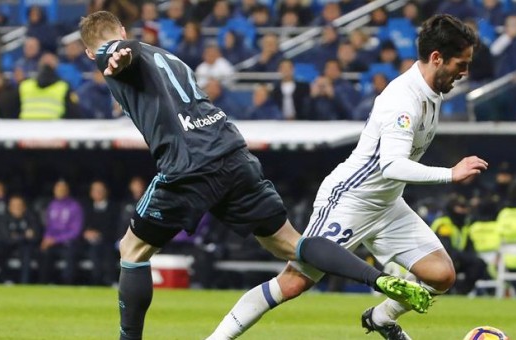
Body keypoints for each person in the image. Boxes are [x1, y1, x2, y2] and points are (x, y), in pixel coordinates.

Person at [78, 11, 431, 340]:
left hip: (189, 164)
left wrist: (117, 54)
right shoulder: (166, 56)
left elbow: (120, 52)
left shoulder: (117, 51)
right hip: (232, 152)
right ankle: (379, 278)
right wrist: (126, 49)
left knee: (132, 250)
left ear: (86, 49)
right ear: (124, 27)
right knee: (292, 245)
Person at [209, 14, 487, 340]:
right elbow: (392, 165)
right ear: (437, 58)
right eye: (461, 63)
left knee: (441, 275)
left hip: (387, 204)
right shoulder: (403, 101)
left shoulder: (433, 91)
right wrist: (450, 174)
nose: (465, 72)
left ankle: (381, 319)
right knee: (294, 282)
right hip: (350, 199)